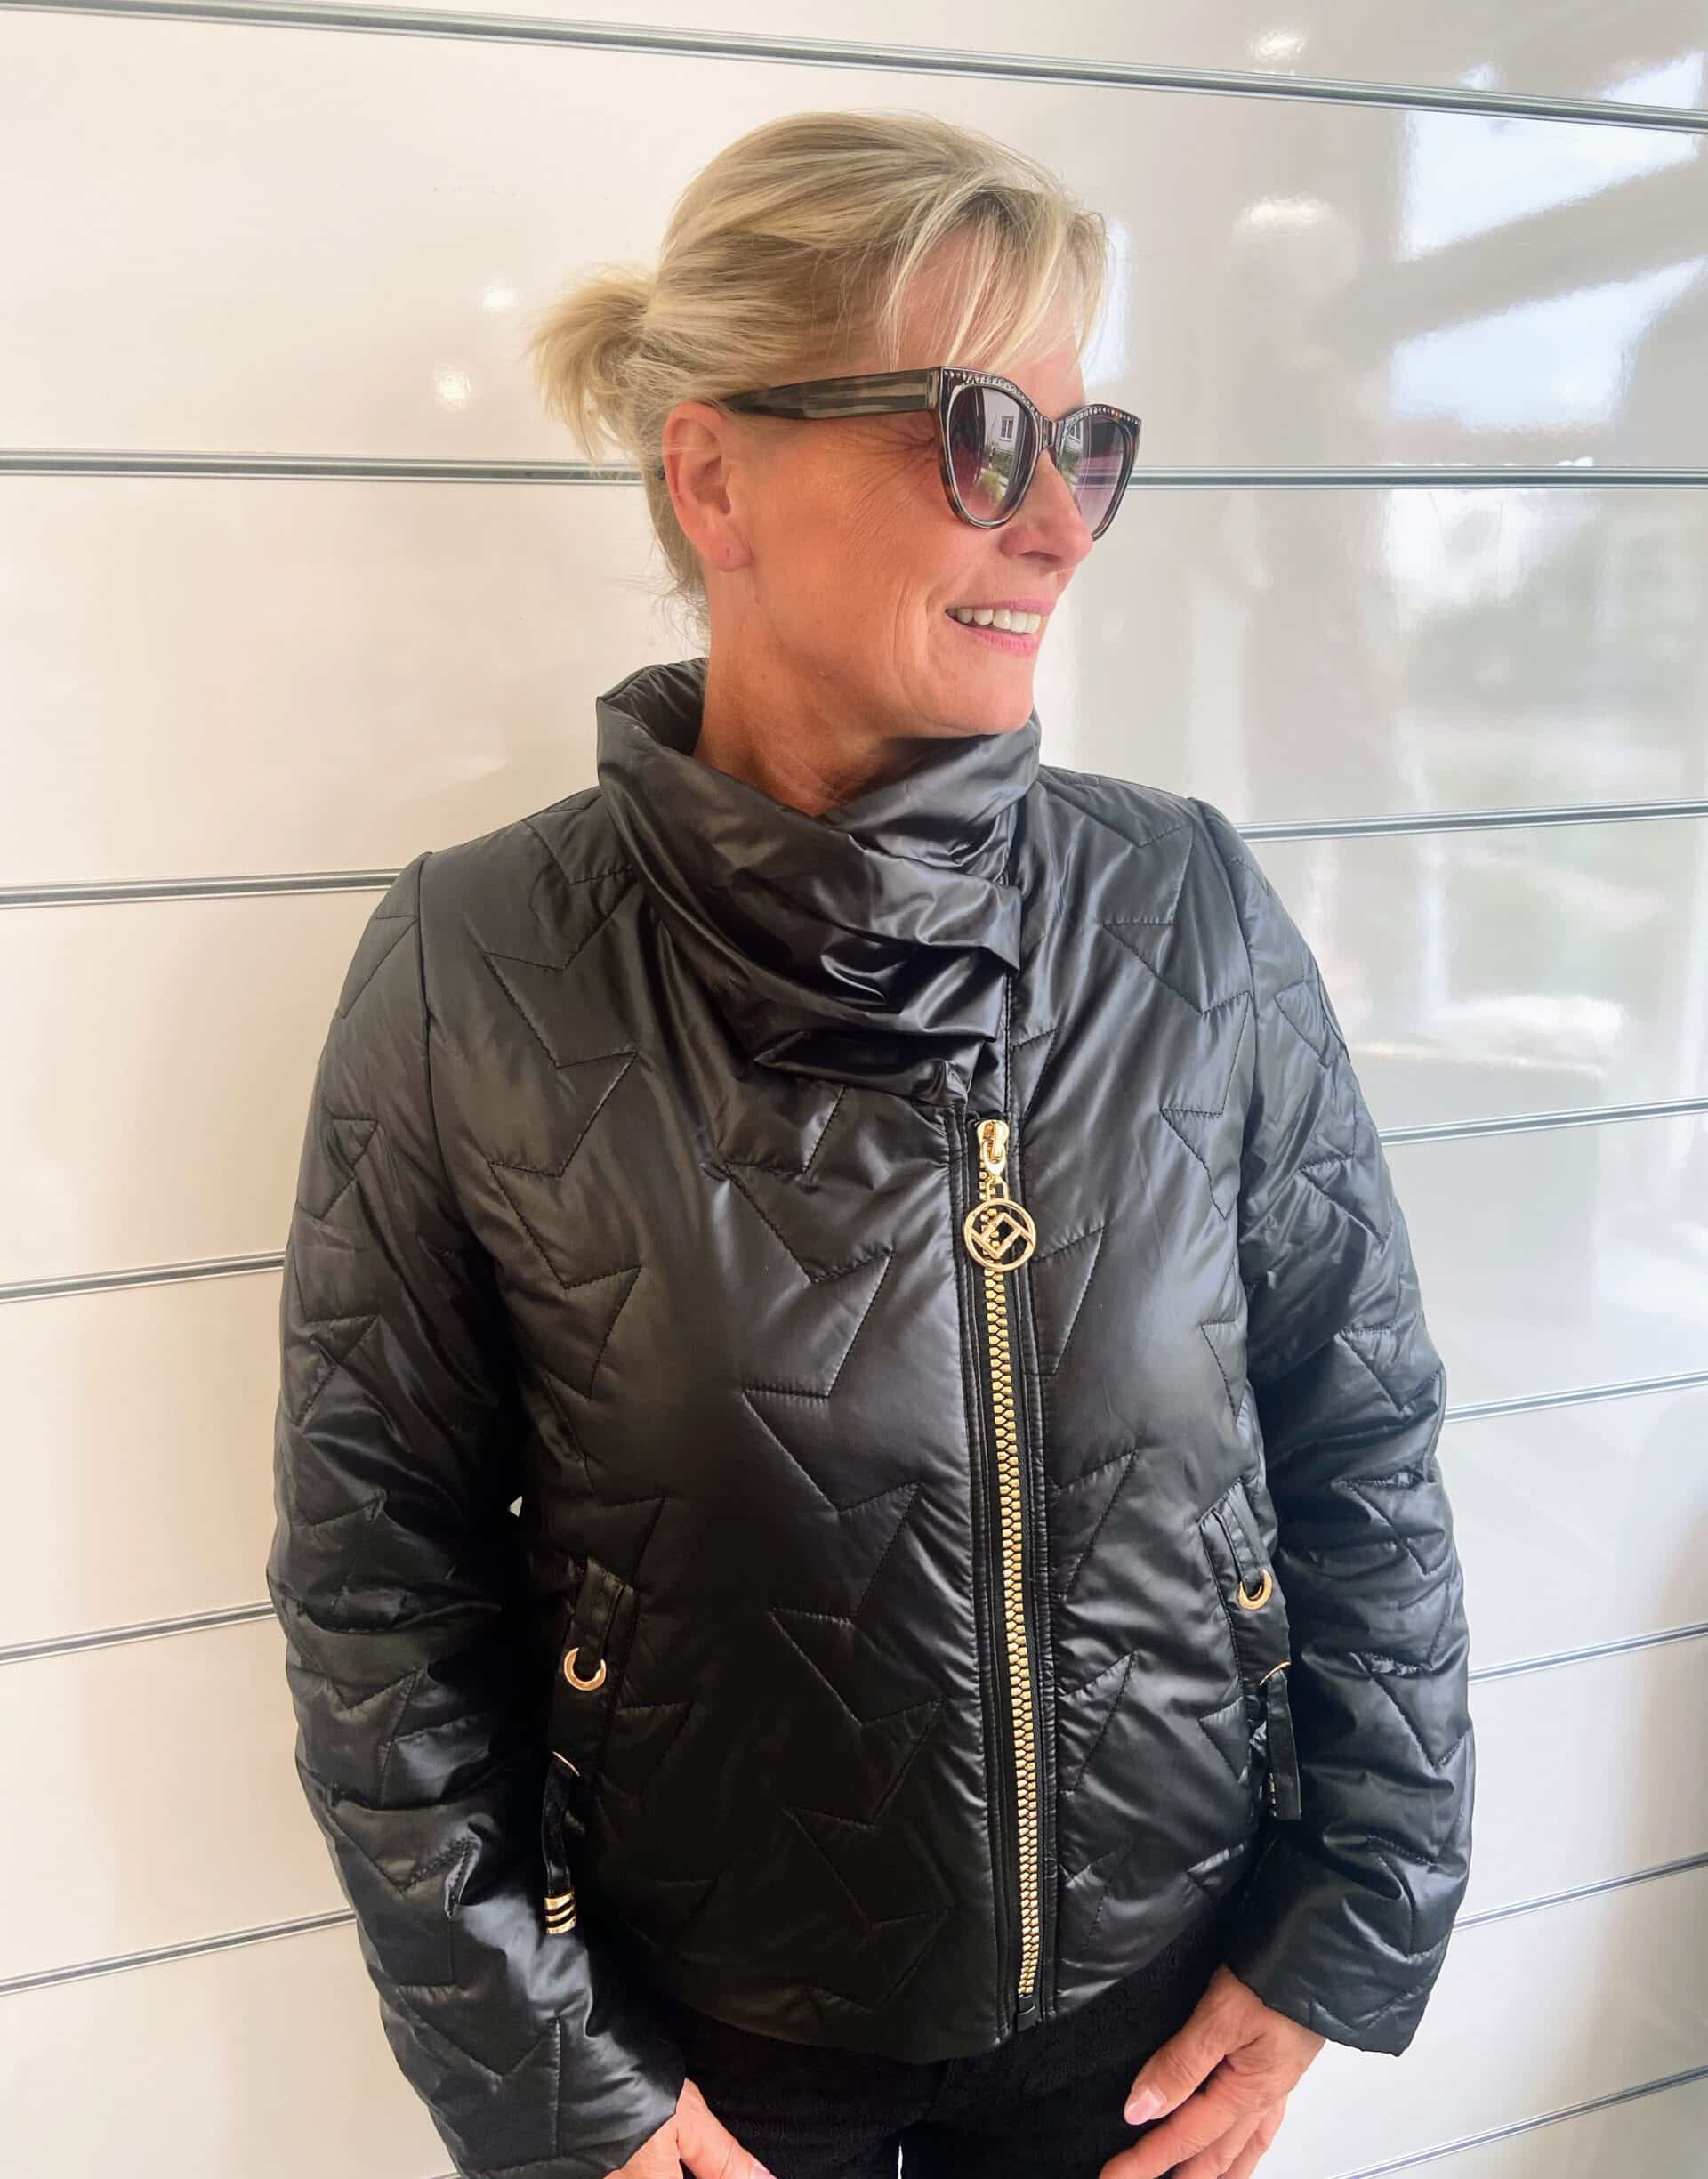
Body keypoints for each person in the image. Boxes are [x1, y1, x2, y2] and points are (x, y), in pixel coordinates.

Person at [267, 109, 1474, 2179]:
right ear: (713, 474)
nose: (1062, 525)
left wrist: (1350, 1916)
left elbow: (1357, 1436)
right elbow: (381, 1582)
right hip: (711, 2066)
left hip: (1150, 2027)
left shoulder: (1181, 909)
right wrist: (549, 2069)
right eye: (981, 436)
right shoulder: (478, 964)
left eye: (1085, 445)